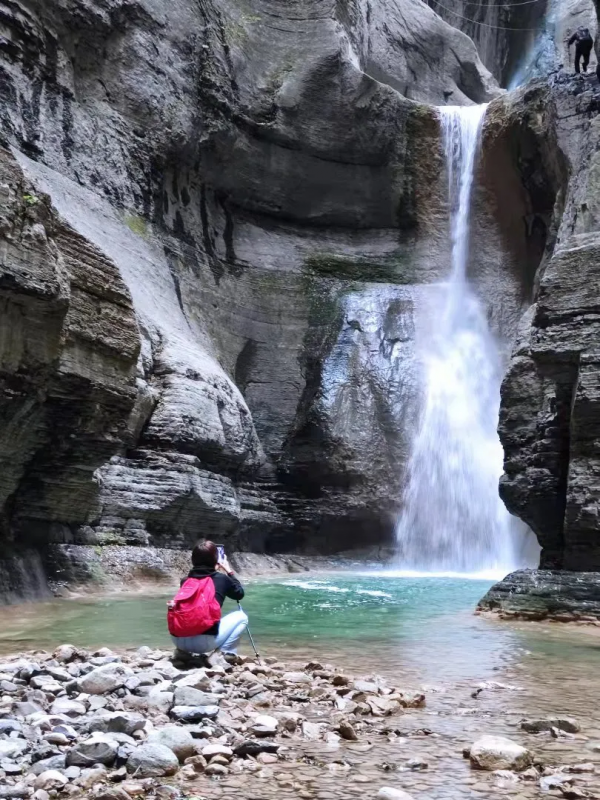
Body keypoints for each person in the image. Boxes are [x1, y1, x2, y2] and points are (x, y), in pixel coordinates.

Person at [169, 539, 248, 659]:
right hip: (203, 645)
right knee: (242, 617)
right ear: (215, 559)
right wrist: (229, 571)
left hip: (178, 640)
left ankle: (183, 653)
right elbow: (239, 594)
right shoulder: (222, 579)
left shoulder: (185, 581)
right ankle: (228, 652)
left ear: (193, 560)